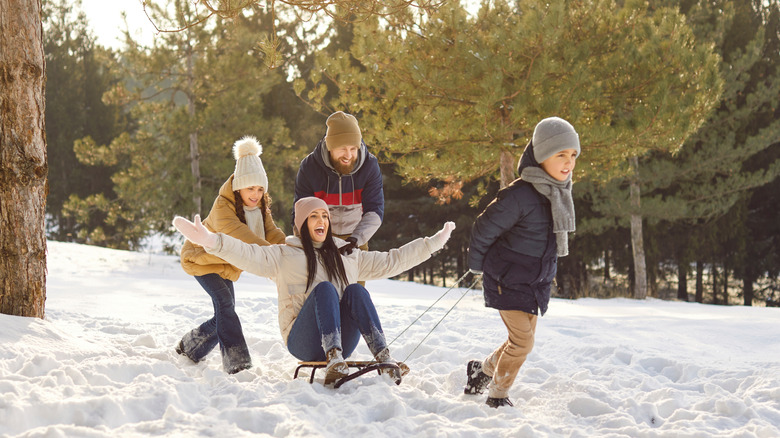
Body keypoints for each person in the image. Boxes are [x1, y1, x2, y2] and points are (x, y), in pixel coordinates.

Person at [173, 196, 455, 385]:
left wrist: (431, 244)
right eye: (313, 216)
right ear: (302, 223)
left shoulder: (347, 255)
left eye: (324, 216)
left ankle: (383, 357)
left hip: (345, 339)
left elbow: (392, 259)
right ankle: (332, 357)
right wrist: (211, 240)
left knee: (357, 292)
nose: (321, 221)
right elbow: (247, 253)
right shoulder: (283, 255)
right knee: (324, 290)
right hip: (303, 340)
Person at [463, 117, 581, 408]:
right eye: (560, 155)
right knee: (523, 343)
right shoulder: (519, 195)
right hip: (506, 278)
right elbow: (484, 227)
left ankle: (482, 371)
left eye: (573, 155)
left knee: (517, 342)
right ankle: (497, 396)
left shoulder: (558, 193)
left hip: (534, 280)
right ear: (541, 156)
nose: (568, 163)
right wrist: (476, 264)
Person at [175, 136, 286, 374]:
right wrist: (273, 257)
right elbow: (242, 235)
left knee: (224, 314)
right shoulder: (222, 207)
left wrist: (291, 249)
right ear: (238, 186)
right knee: (225, 306)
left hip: (225, 264)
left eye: (259, 189)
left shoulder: (259, 207)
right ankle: (238, 361)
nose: (255, 194)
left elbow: (272, 232)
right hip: (202, 259)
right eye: (250, 188)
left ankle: (190, 347)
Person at [292, 111, 383, 256]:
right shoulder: (310, 167)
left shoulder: (369, 166)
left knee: (355, 279)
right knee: (321, 279)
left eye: (353, 149)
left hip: (356, 236)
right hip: (320, 237)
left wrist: (355, 240)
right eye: (343, 149)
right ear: (330, 147)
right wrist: (307, 246)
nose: (348, 155)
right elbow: (301, 211)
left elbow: (375, 210)